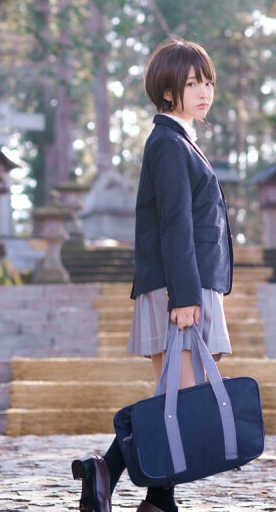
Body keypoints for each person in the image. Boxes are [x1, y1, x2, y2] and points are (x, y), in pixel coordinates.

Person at [72, 37, 234, 512]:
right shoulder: (167, 143)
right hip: (178, 288)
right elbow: (175, 227)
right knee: (180, 399)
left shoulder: (181, 140)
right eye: (191, 83)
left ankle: (140, 488)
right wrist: (185, 297)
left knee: (176, 398)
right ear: (168, 92)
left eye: (207, 81)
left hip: (188, 285)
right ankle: (129, 482)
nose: (204, 91)